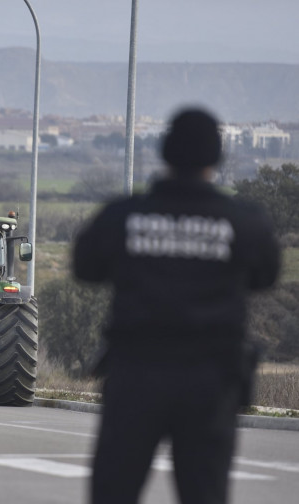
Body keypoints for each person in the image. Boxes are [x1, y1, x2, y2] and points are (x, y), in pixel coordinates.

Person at [72, 108, 280, 504]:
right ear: (216, 159)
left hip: (136, 374)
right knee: (205, 493)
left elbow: (86, 268)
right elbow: (265, 276)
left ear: (165, 153)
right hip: (212, 381)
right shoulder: (244, 221)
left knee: (113, 491)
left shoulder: (124, 216)